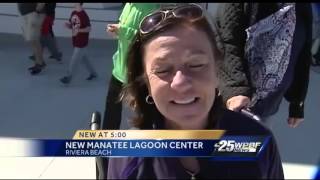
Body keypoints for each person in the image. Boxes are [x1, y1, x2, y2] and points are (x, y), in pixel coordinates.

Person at [107, 4, 284, 179]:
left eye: (196, 65)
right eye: (162, 70)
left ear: (217, 71)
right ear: (146, 82)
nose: (181, 83)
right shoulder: (127, 157)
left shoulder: (257, 142)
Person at [215, 3, 312, 128]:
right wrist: (235, 89)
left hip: (266, 109)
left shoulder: (303, 7)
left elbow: (303, 52)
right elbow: (226, 41)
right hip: (232, 103)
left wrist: (297, 100)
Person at [103, 3, 161, 130]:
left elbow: (148, 37)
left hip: (138, 72)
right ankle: (106, 142)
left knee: (146, 113)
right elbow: (124, 30)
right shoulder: (129, 4)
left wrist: (122, 30)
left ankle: (149, 143)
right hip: (119, 69)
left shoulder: (151, 8)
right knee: (111, 111)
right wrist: (116, 31)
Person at [60, 3, 97, 85]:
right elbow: (73, 26)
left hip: (81, 41)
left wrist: (79, 31)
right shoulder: (73, 13)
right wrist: (68, 26)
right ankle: (94, 74)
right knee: (85, 59)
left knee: (74, 59)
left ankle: (68, 77)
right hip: (75, 40)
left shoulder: (84, 15)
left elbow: (88, 28)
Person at [17, 3, 46, 75]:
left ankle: (39, 64)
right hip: (27, 14)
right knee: (33, 40)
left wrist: (37, 11)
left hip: (33, 14)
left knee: (33, 39)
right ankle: (40, 62)